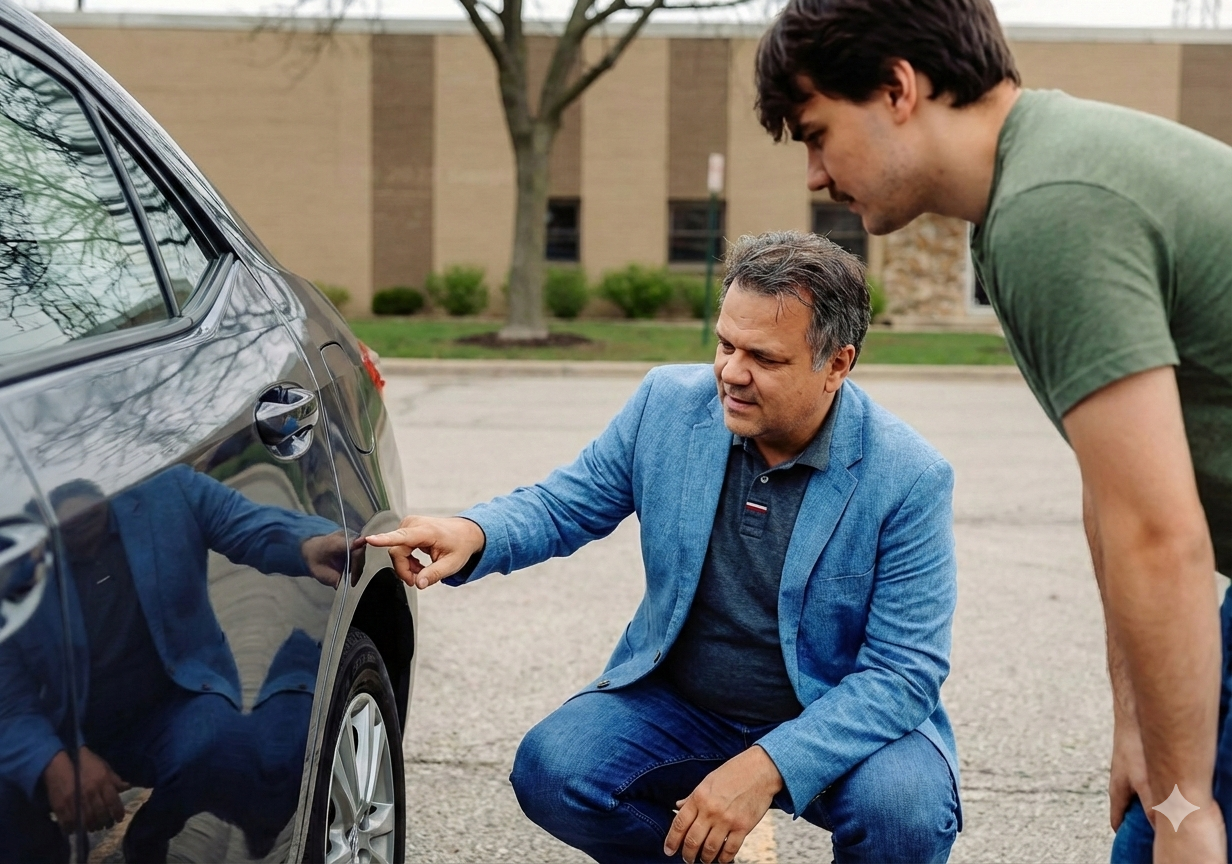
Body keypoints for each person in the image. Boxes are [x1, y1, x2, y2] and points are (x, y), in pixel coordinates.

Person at [752, 2, 1232, 862]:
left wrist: (1185, 804)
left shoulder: (1053, 210)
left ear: (898, 89)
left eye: (818, 132)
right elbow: (1117, 493)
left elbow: (1160, 538)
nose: (817, 174)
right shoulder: (1031, 191)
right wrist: (1140, 728)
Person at [368, 231, 960, 864]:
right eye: (725, 344)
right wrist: (475, 532)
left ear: (837, 365)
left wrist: (765, 766)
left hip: (833, 716)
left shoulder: (908, 477)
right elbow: (566, 503)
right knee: (555, 769)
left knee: (906, 815)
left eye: (763, 357)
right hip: (686, 705)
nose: (731, 372)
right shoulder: (667, 406)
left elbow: (903, 672)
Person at [0, 466, 355, 863]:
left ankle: (149, 836)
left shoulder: (165, 487)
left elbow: (246, 521)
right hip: (56, 724)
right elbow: (7, 693)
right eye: (66, 523)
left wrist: (309, 544)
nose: (79, 522)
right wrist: (52, 758)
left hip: (165, 711)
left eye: (91, 512)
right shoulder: (10, 552)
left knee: (228, 743)